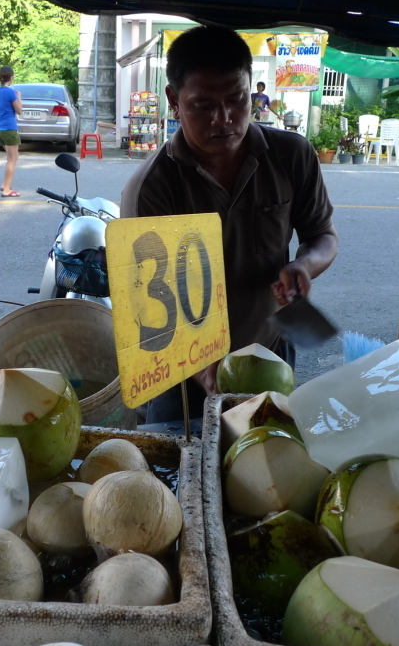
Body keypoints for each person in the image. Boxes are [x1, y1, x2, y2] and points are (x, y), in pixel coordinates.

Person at [121, 25, 338, 424]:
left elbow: (322, 235)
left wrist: (304, 266)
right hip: (181, 376)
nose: (223, 119)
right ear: (174, 100)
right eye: (203, 105)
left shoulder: (292, 155)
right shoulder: (152, 188)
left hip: (269, 352)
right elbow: (152, 308)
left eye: (237, 100)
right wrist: (200, 365)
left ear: (251, 91)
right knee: (180, 474)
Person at [0, 65, 23, 197]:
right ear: (11, 77)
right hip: (9, 128)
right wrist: (19, 97)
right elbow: (19, 110)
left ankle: (5, 184)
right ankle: (7, 189)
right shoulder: (11, 92)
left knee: (14, 157)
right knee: (11, 159)